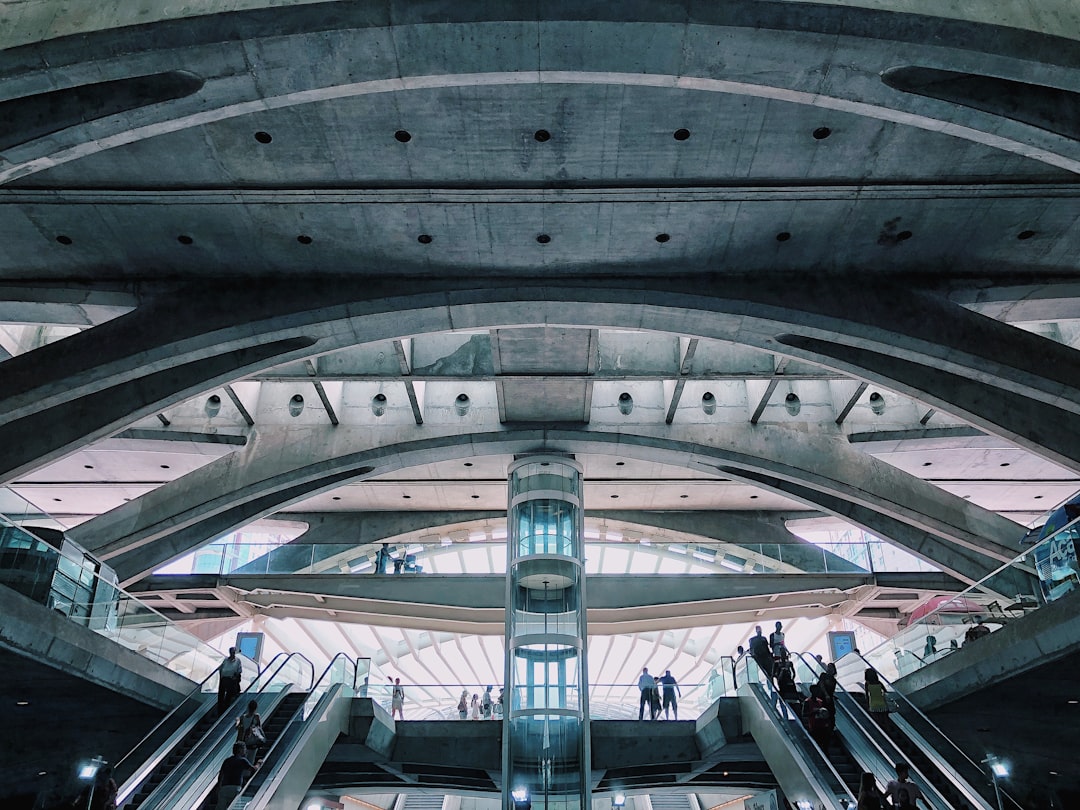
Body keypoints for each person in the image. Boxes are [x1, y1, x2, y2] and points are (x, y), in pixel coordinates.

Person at [217, 742, 257, 810]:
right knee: (235, 808)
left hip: (224, 788)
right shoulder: (242, 760)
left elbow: (221, 775)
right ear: (240, 749)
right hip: (235, 788)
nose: (246, 750)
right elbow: (253, 769)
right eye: (244, 749)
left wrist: (219, 787)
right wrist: (259, 763)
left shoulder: (227, 761)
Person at [804, 684, 833, 752]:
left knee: (825, 745)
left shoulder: (820, 702)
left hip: (823, 726)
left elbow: (826, 713)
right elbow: (804, 714)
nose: (817, 692)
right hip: (814, 727)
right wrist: (814, 712)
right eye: (815, 690)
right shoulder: (807, 702)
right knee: (816, 745)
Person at [217, 647, 243, 717]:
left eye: (234, 652)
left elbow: (239, 671)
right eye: (231, 652)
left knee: (229, 691)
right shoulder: (225, 660)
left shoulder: (237, 661)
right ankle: (220, 709)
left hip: (232, 679)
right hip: (224, 678)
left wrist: (235, 676)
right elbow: (221, 669)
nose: (232, 654)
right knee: (221, 693)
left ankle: (225, 706)